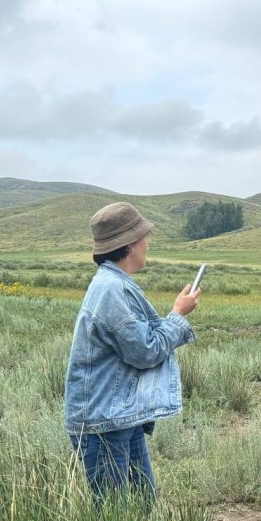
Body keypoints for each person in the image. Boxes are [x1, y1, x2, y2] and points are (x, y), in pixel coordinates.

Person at [64, 202, 200, 500]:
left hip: (120, 416)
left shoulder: (113, 285)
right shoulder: (112, 290)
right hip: (104, 423)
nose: (147, 244)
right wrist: (177, 315)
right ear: (129, 246)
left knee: (140, 507)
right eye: (143, 238)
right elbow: (145, 350)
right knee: (115, 519)